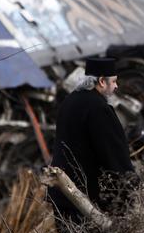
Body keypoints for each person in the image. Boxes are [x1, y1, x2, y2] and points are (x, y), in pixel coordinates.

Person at [49, 57, 136, 223]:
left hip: (61, 193)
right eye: (114, 81)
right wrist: (129, 192)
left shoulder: (69, 102)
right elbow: (113, 156)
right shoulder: (99, 109)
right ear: (102, 81)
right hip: (85, 200)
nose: (117, 86)